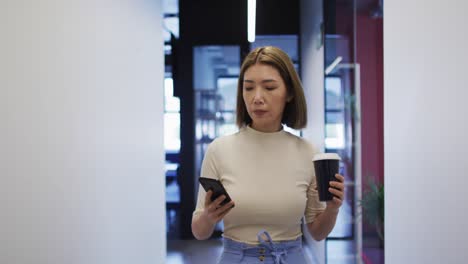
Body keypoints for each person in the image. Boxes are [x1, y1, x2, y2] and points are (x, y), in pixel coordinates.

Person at [191, 46, 345, 264]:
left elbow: (318, 233)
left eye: (269, 87)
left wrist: (332, 208)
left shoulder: (308, 153)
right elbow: (199, 231)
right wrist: (208, 217)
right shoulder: (219, 150)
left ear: (289, 93)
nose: (257, 98)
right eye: (248, 88)